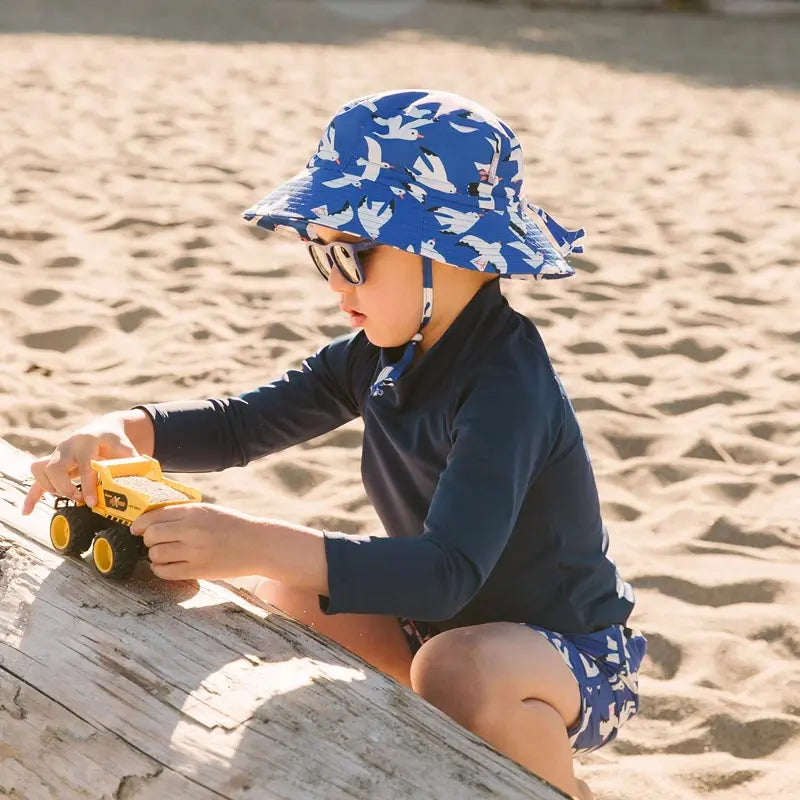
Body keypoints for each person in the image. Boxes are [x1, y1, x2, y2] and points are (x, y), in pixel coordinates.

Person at [22, 89, 647, 800]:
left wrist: (251, 537)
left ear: (443, 251)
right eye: (322, 259)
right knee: (288, 590)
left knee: (454, 670)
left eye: (351, 258)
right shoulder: (377, 355)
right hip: (432, 623)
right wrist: (124, 429)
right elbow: (238, 426)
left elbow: (448, 569)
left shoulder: (508, 385)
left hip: (571, 655)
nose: (334, 286)